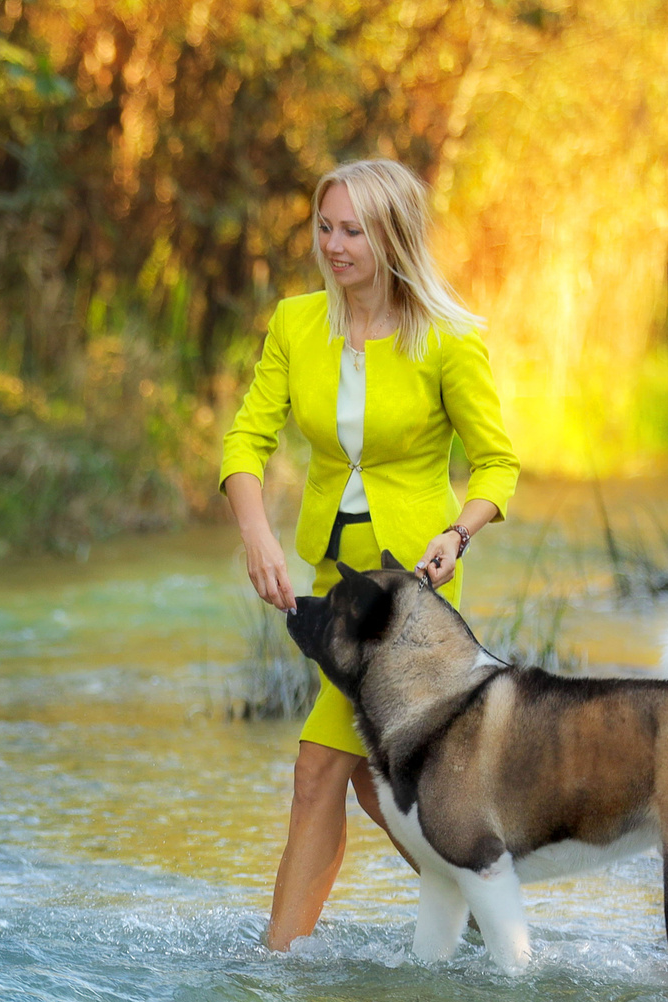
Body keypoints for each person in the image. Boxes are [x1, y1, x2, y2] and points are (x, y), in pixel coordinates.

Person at [217, 158, 519, 950]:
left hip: (406, 593)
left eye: (354, 229)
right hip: (329, 579)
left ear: (392, 235)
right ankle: (491, 924)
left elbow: (496, 463)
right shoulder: (295, 323)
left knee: (320, 767)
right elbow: (246, 438)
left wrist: (459, 532)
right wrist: (256, 532)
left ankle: (275, 968)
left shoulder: (449, 337)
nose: (335, 243)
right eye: (326, 226)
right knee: (372, 783)